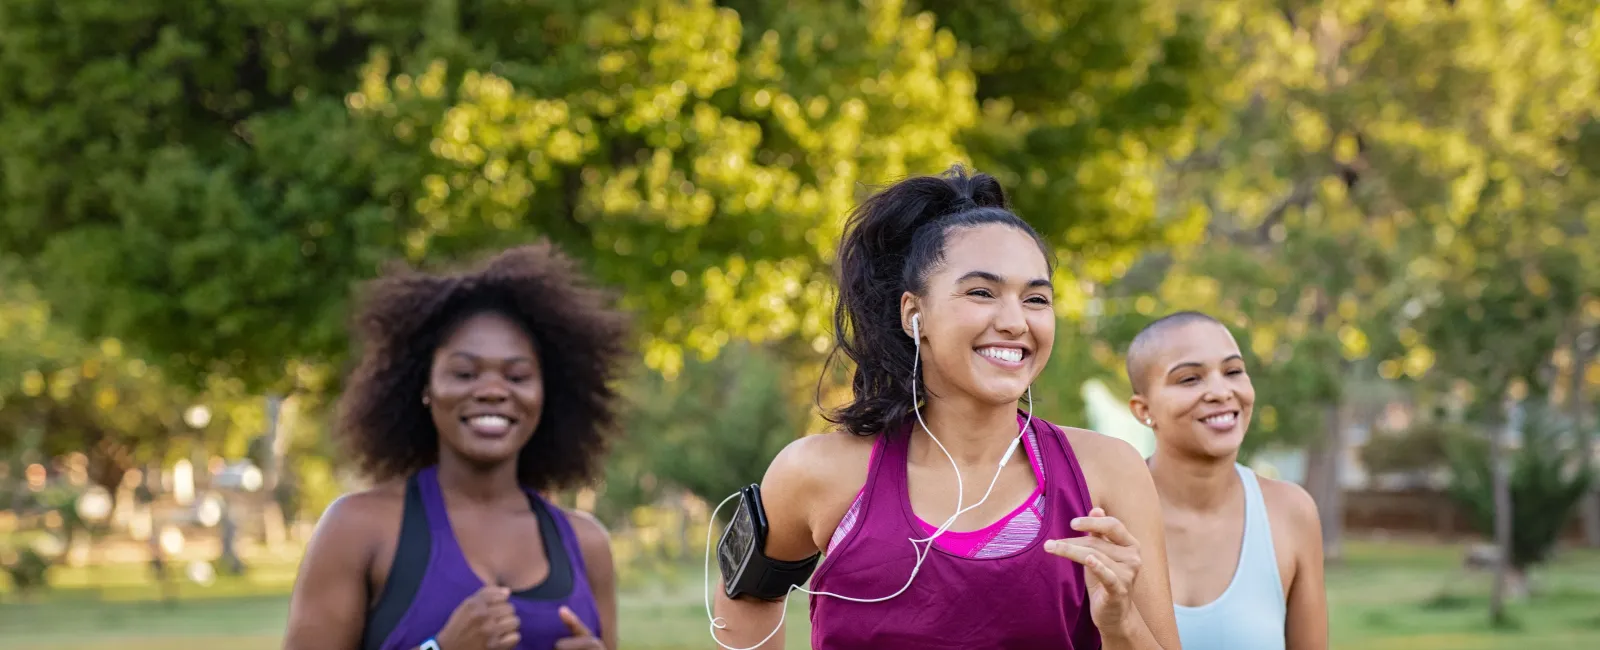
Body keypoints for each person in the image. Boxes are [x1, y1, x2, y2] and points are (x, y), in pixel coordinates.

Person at [708, 165, 1181, 650]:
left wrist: (1120, 625)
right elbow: (745, 596)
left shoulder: (1107, 472)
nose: (1016, 321)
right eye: (981, 292)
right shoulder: (818, 472)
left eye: (1036, 298)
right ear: (914, 313)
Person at [283, 243, 628, 650]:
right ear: (425, 388)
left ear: (546, 394)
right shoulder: (359, 528)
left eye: (517, 377)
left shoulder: (586, 544)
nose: (493, 391)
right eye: (464, 373)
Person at [1124, 311, 1329, 650]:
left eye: (1233, 371)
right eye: (1190, 379)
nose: (1221, 392)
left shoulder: (1292, 513)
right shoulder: (1101, 514)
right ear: (1143, 410)